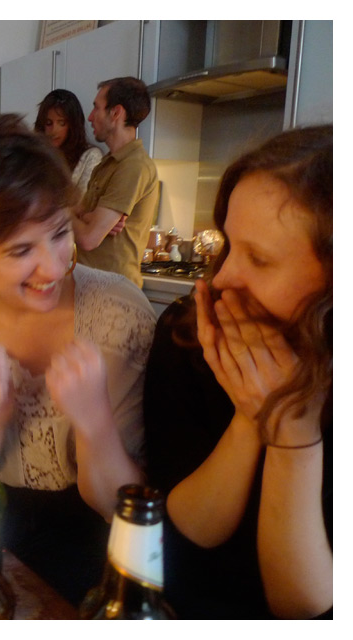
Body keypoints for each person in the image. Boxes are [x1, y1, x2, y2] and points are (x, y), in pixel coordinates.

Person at [0, 114, 156, 604]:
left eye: (60, 232)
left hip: (97, 557)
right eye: (21, 249)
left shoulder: (121, 315)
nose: (53, 266)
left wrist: (94, 422)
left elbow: (126, 509)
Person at [144, 125, 332, 619]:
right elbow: (189, 531)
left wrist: (293, 433)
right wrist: (253, 413)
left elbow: (305, 608)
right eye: (230, 245)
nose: (224, 277)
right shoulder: (185, 335)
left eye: (260, 259)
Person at [71, 76, 158, 287]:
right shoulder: (108, 163)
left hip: (112, 292)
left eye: (96, 108)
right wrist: (86, 216)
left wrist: (62, 214)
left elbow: (89, 238)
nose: (90, 117)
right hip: (92, 288)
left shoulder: (133, 166)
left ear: (116, 113)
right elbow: (80, 213)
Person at [34, 89, 102, 198]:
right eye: (48, 123)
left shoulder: (90, 156)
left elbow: (84, 201)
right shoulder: (37, 156)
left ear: (72, 125)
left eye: (61, 123)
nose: (54, 130)